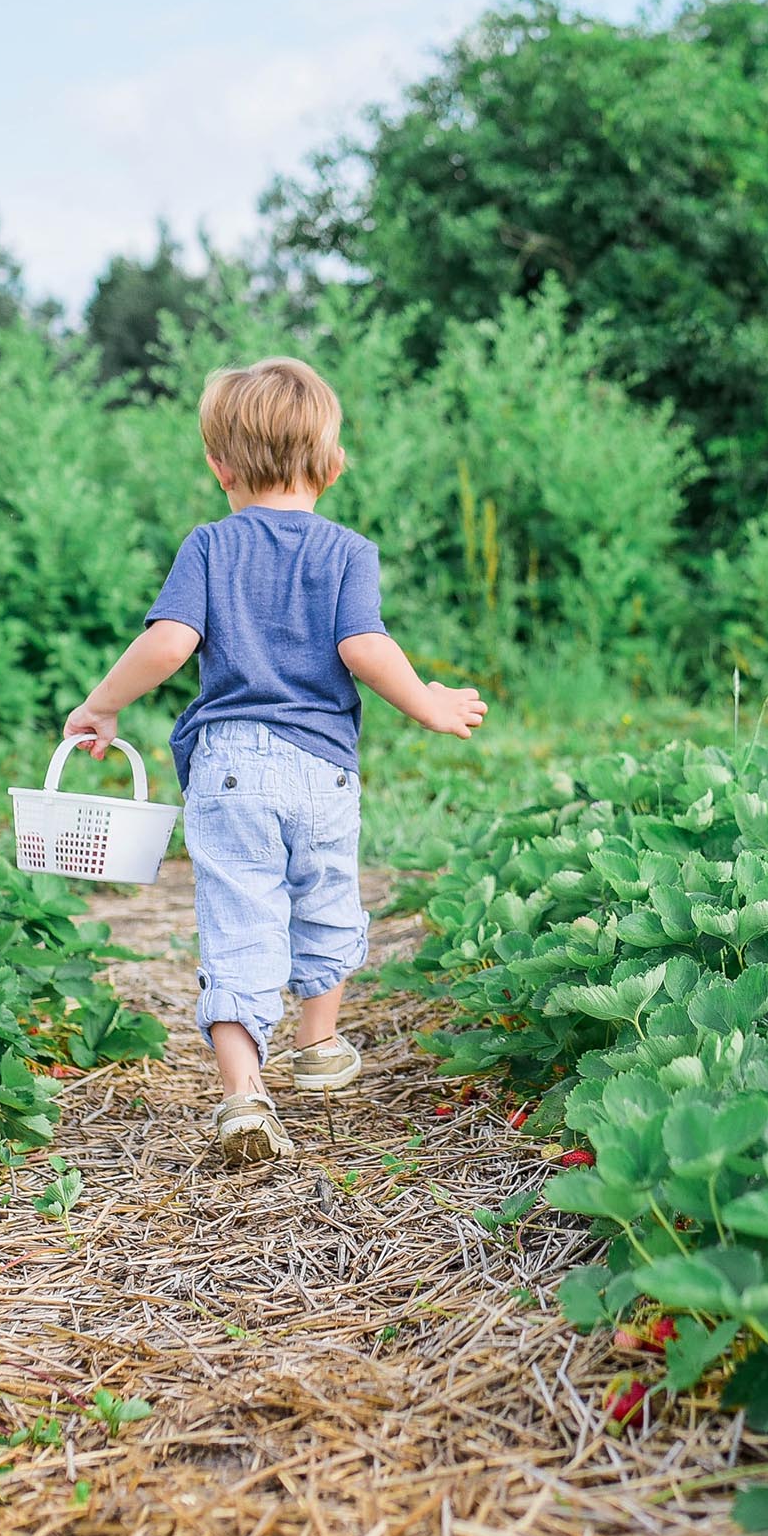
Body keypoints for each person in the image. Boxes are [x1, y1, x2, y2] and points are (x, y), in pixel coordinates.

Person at [64, 357, 485, 1163]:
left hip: (229, 768)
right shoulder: (348, 551)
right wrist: (428, 702)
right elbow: (364, 647)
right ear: (331, 464)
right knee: (326, 897)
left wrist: (104, 702)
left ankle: (243, 1095)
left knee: (239, 922)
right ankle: (319, 1043)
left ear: (219, 466)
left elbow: (170, 641)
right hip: (322, 768)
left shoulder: (211, 546)